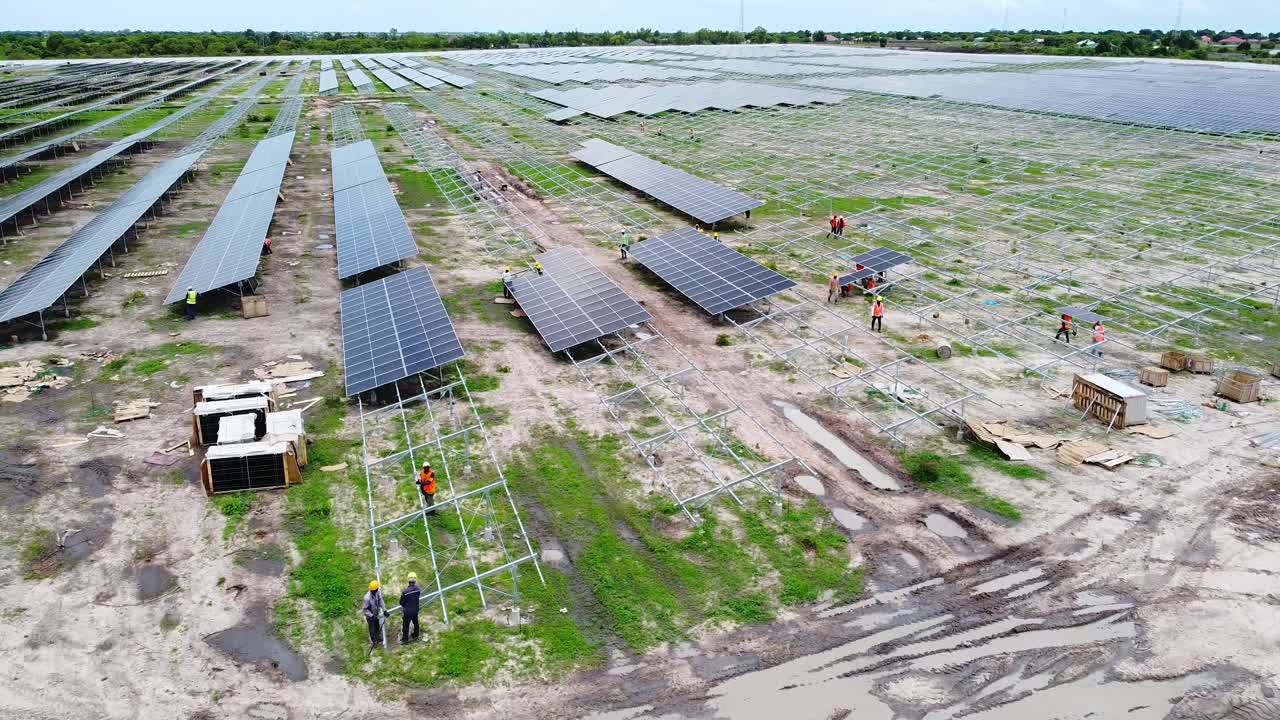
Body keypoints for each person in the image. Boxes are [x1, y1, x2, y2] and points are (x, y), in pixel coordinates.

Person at [362, 580, 388, 648]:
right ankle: (374, 641)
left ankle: (378, 637)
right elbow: (365, 610)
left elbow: (380, 600)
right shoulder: (367, 598)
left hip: (375, 613)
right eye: (375, 590)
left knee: (377, 625)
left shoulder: (377, 592)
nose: (376, 590)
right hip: (370, 616)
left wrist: (384, 610)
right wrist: (371, 615)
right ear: (372, 590)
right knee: (372, 629)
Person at [399, 572, 421, 644]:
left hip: (407, 611)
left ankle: (405, 639)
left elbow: (401, 602)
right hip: (415, 610)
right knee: (416, 623)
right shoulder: (418, 590)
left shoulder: (405, 592)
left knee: (406, 625)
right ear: (415, 580)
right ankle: (416, 635)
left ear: (408, 580)